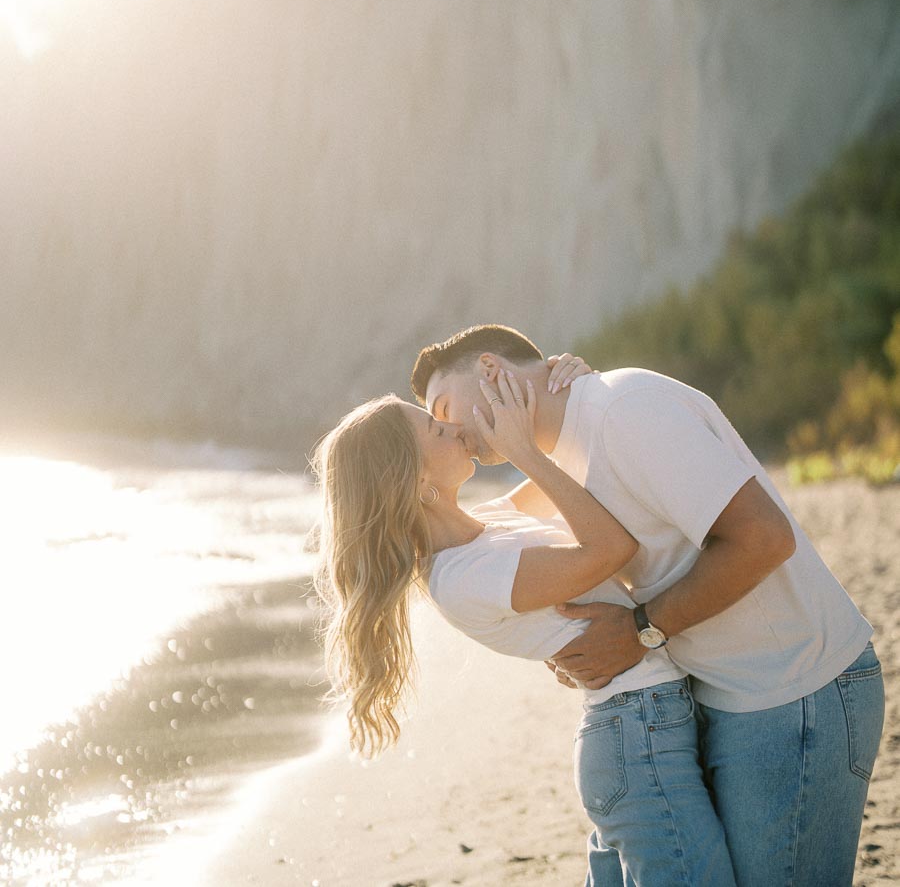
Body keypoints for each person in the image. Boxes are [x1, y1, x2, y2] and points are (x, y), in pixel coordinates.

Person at [411, 324, 886, 887]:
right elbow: (482, 537)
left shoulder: (625, 412)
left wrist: (639, 629)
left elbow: (764, 538)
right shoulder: (570, 443)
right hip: (719, 696)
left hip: (795, 692)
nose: (449, 429)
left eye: (444, 407)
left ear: (491, 369)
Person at [311, 363, 738, 886]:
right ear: (417, 480)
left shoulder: (486, 527)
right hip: (637, 735)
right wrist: (524, 453)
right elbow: (611, 547)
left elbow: (568, 465)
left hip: (640, 728)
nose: (453, 428)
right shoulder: (464, 576)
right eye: (435, 429)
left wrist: (563, 380)